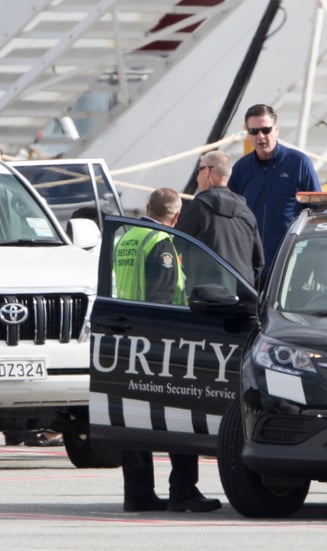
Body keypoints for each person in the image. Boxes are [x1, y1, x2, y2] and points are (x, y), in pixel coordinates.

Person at [113, 187, 221, 513]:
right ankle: (183, 491)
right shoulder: (161, 244)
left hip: (126, 336)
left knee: (133, 421)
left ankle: (138, 492)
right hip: (157, 341)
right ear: (175, 216)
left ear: (147, 206)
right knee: (181, 415)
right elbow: (161, 297)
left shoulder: (127, 237)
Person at [229, 104, 321, 275]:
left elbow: (317, 209)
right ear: (248, 134)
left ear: (276, 130)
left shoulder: (299, 163)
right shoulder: (241, 168)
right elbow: (231, 212)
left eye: (266, 130)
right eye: (254, 131)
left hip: (290, 259)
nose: (260, 136)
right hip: (250, 262)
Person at [176, 150, 264, 284]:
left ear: (207, 172)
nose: (197, 176)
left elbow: (175, 246)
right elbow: (258, 262)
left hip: (206, 296)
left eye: (198, 170)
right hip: (242, 296)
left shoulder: (199, 207)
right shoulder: (247, 213)